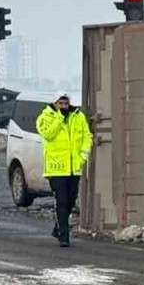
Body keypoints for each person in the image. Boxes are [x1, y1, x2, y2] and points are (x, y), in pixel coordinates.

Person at [36, 92, 93, 248]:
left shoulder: (78, 116)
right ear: (55, 104)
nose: (63, 107)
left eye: (65, 104)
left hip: (74, 168)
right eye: (60, 104)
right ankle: (64, 235)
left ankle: (58, 227)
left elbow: (87, 136)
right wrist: (59, 118)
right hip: (56, 168)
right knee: (61, 201)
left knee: (70, 201)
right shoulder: (45, 117)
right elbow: (48, 134)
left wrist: (83, 155)